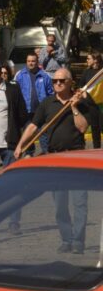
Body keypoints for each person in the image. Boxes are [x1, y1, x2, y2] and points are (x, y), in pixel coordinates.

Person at [15, 68, 93, 254]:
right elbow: (33, 126)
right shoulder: (47, 103)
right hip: (56, 159)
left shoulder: (82, 102)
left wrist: (74, 107)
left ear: (70, 82)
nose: (57, 83)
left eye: (61, 81)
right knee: (60, 205)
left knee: (79, 203)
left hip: (77, 158)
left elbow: (83, 128)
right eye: (55, 80)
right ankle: (66, 239)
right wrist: (20, 145)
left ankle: (78, 241)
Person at [14, 52, 53, 154]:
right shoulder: (20, 75)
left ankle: (46, 154)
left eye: (33, 61)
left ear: (37, 62)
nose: (31, 63)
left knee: (43, 133)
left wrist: (49, 108)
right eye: (29, 61)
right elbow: (15, 92)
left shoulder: (45, 75)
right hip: (26, 111)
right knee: (27, 134)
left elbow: (51, 93)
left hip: (41, 111)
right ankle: (29, 155)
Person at [81, 52, 102, 149]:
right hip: (91, 105)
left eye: (89, 58)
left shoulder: (101, 72)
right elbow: (81, 86)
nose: (87, 60)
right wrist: (84, 94)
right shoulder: (86, 72)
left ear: (95, 60)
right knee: (94, 128)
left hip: (101, 105)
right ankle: (96, 149)